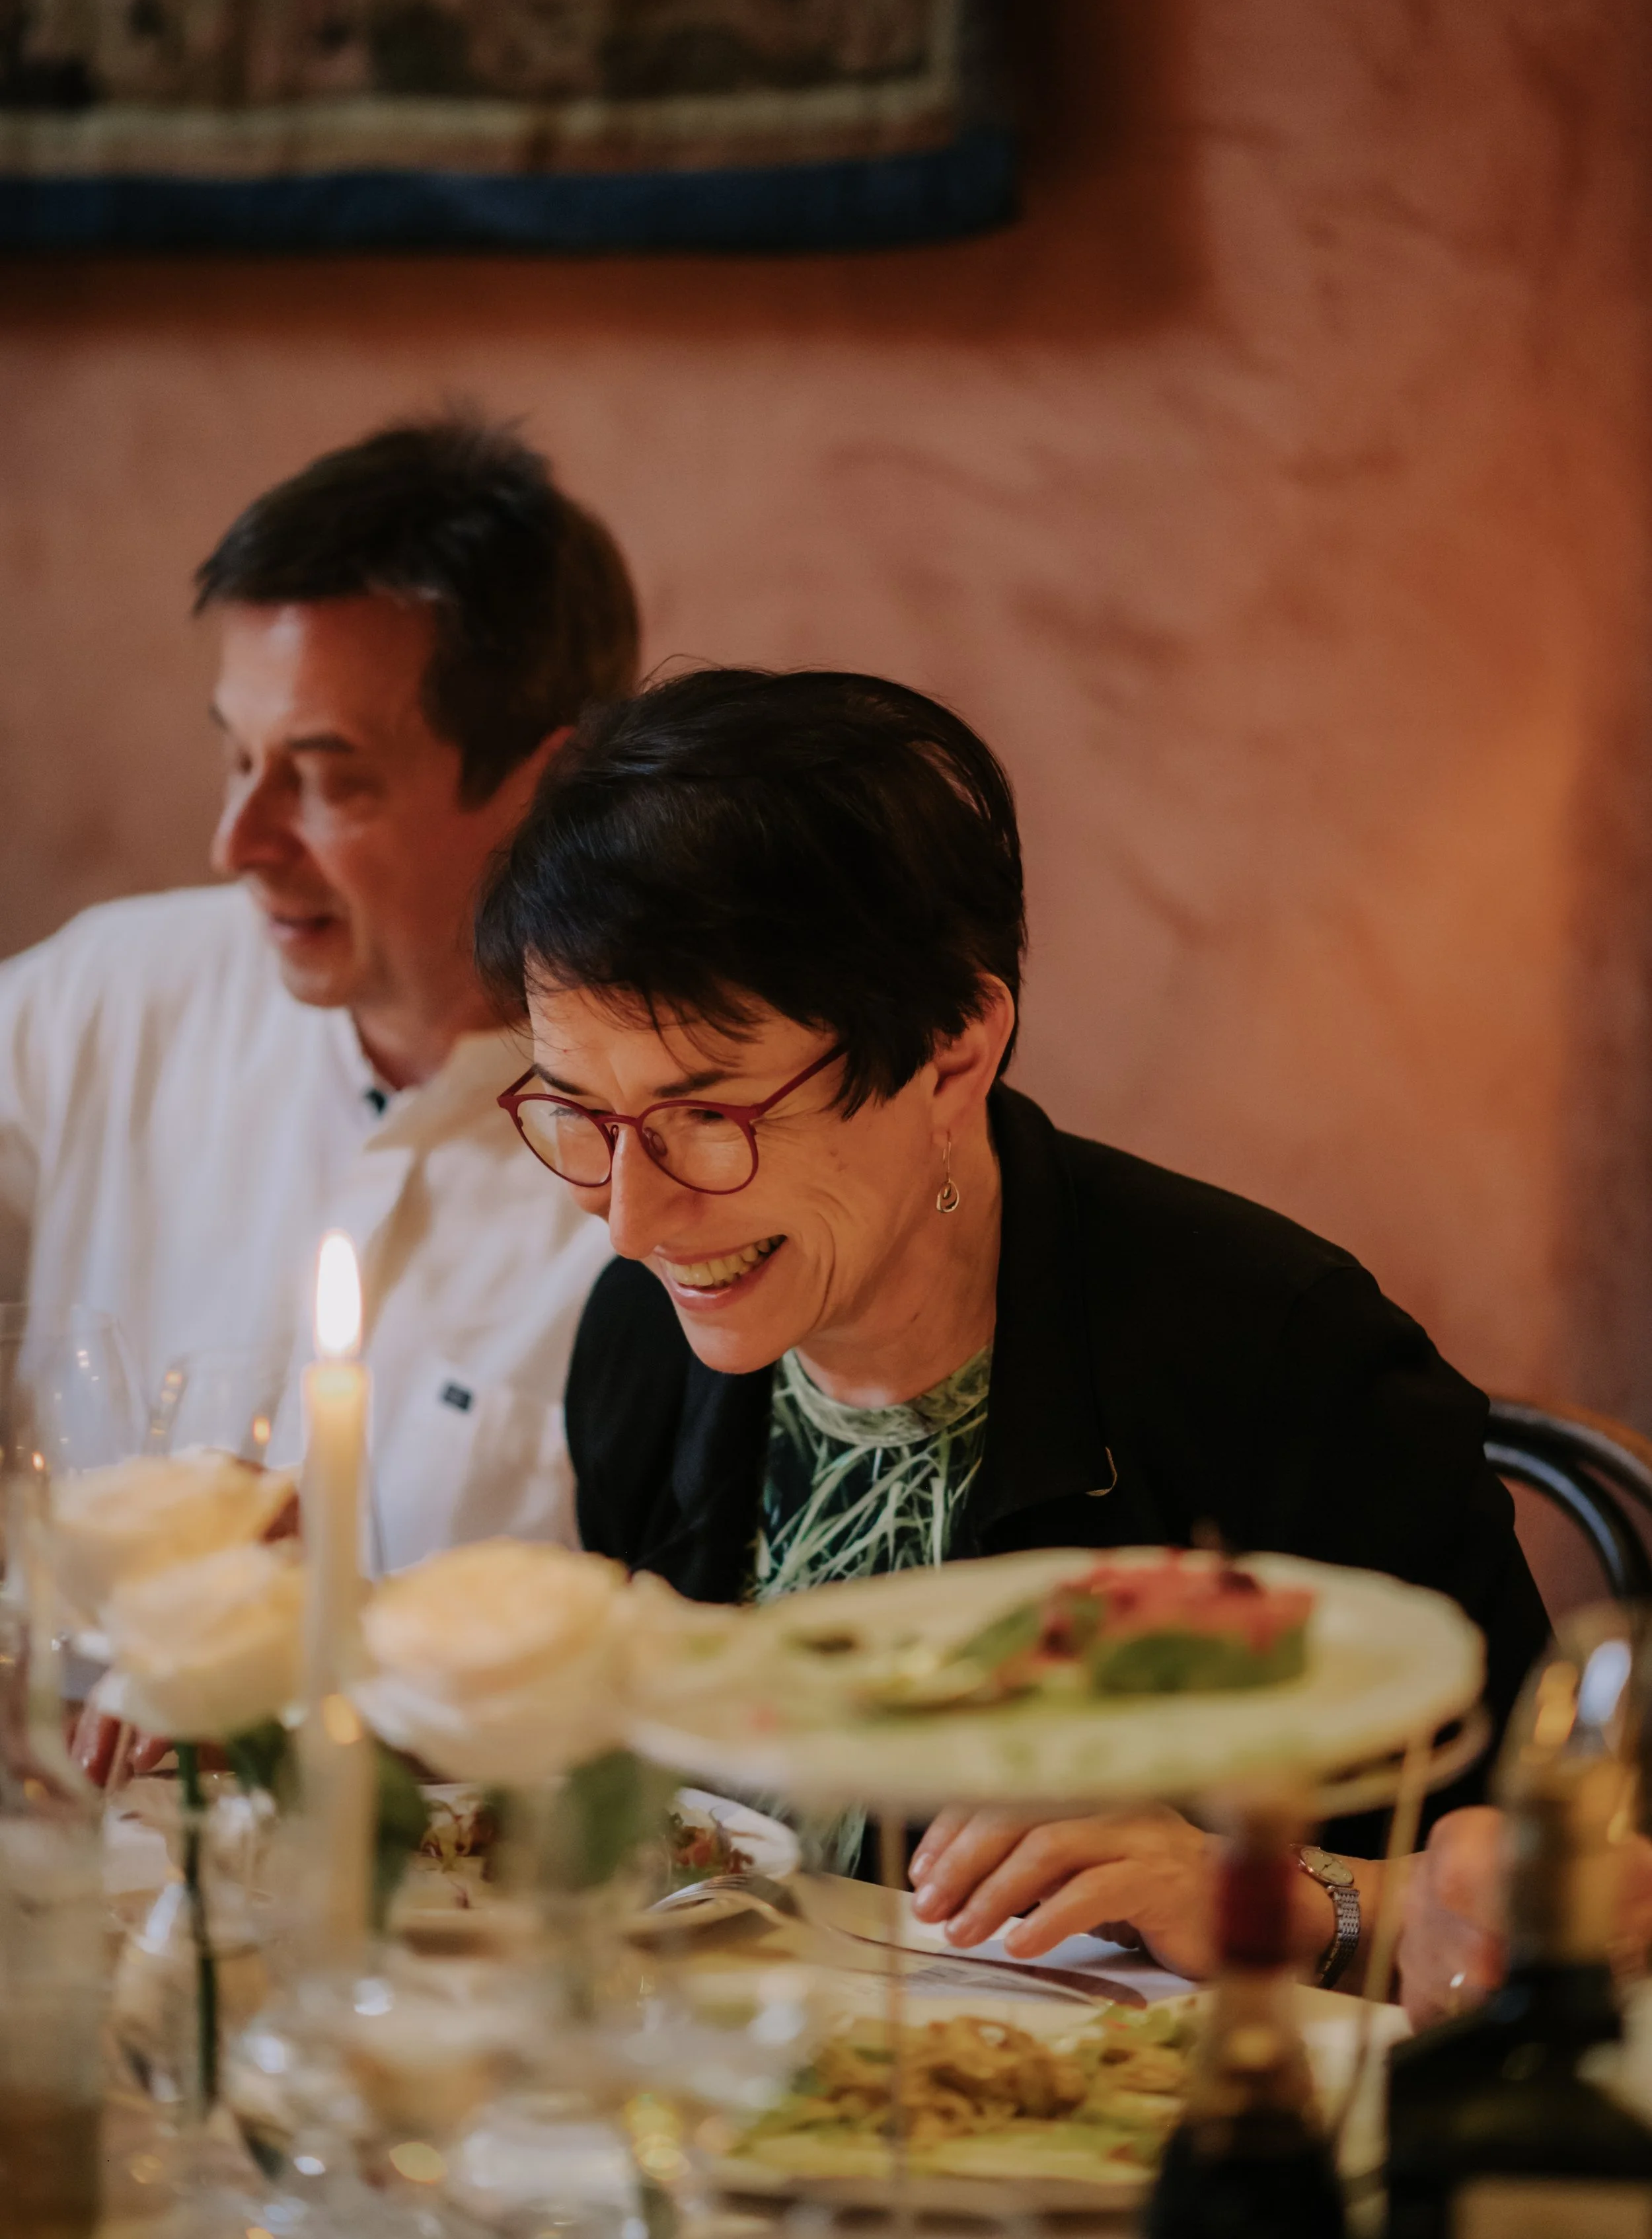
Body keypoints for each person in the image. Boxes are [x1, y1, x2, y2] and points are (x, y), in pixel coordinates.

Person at [474, 665, 1550, 1985]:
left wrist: (1273, 1895)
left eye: (709, 1118)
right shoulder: (645, 1348)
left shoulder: (1276, 1363)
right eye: (579, 1114)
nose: (632, 1223)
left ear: (952, 1054)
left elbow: (1578, 1894)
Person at [0, 414, 633, 1569]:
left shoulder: (673, 1175)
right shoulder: (103, 1001)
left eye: (328, 782)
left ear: (551, 786)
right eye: (239, 758)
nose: (235, 843)